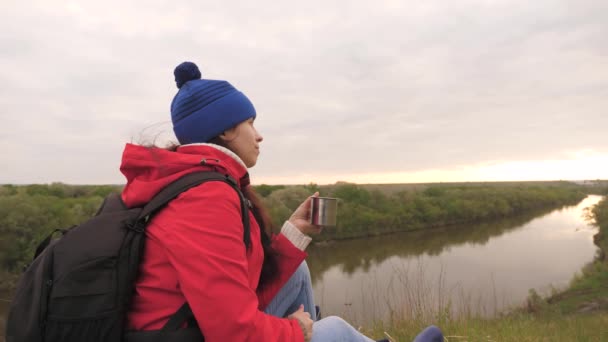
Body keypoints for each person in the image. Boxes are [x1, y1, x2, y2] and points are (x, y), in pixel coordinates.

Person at [121, 61, 443, 342]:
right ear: (226, 129)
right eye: (250, 122)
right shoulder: (205, 199)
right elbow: (233, 333)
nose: (258, 135)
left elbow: (236, 294)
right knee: (334, 330)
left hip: (190, 328)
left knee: (297, 272)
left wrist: (295, 232)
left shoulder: (192, 183)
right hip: (191, 335)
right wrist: (297, 331)